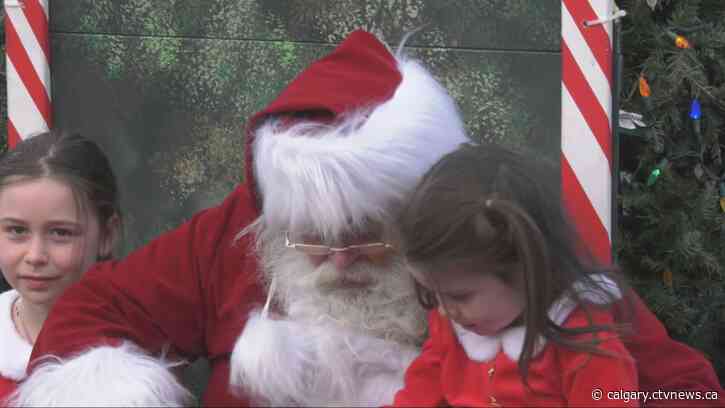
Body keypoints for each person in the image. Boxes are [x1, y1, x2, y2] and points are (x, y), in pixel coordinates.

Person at [10, 31, 724, 407]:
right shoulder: (239, 232)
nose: (341, 261)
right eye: (313, 242)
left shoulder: (494, 240)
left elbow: (683, 387)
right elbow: (101, 308)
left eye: (370, 240)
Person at [391, 142, 638, 407]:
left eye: (459, 296)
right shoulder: (457, 324)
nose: (443, 311)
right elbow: (421, 388)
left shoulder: (587, 348)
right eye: (432, 293)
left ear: (528, 268)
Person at [0, 130, 125, 401]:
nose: (35, 255)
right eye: (16, 230)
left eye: (60, 233)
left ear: (107, 234)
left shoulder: (134, 363)